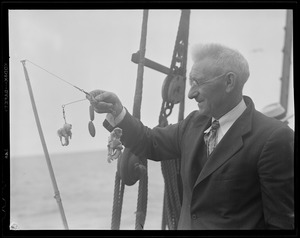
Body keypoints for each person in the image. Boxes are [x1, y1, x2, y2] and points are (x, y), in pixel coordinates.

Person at [87, 43, 294, 230]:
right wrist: (117, 111)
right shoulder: (193, 124)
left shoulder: (274, 138)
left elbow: (282, 223)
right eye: (190, 83)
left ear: (229, 82)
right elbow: (150, 142)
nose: (190, 93)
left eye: (198, 82)